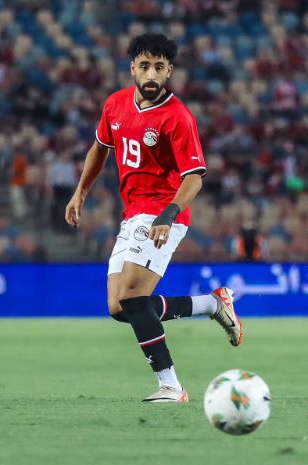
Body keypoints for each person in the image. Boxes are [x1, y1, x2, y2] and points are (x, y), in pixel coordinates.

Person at [65, 33, 243, 403]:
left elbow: (194, 177)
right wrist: (80, 191)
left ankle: (171, 386)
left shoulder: (178, 117)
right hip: (132, 214)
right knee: (119, 307)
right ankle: (212, 304)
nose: (151, 73)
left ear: (169, 71)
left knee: (133, 295)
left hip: (164, 212)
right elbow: (100, 148)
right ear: (132, 67)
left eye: (159, 67)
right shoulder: (115, 104)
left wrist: (169, 214)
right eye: (144, 65)